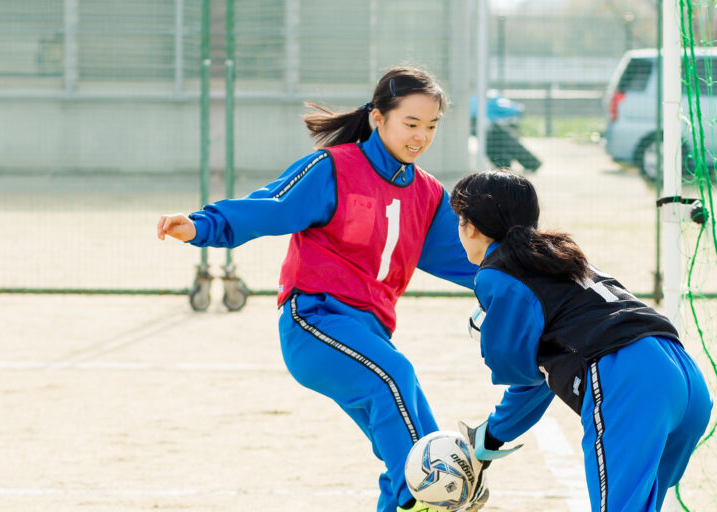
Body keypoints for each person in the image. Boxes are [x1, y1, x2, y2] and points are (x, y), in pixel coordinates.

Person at [157, 66, 479, 512]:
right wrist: (202, 225)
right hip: (315, 323)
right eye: (411, 124)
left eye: (431, 127)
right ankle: (421, 501)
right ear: (377, 118)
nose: (421, 136)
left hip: (368, 336)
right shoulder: (333, 169)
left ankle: (405, 498)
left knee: (410, 435)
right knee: (395, 379)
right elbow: (270, 208)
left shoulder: (426, 194)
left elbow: (473, 260)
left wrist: (544, 280)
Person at [450, 169, 713, 512]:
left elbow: (511, 366)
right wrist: (491, 436)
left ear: (471, 226)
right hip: (683, 376)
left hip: (628, 378)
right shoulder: (559, 257)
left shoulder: (497, 272)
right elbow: (541, 375)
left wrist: (490, 329)